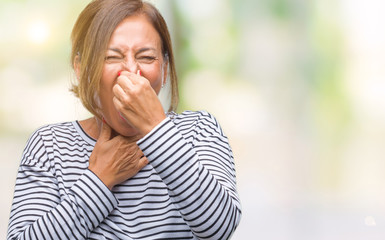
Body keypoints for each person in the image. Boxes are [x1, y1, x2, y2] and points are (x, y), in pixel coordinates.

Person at [7, 0, 241, 239]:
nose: (130, 71)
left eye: (147, 57)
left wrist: (155, 127)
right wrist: (99, 179)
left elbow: (219, 228)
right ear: (80, 67)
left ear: (165, 68)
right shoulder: (49, 145)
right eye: (111, 56)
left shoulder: (198, 130)